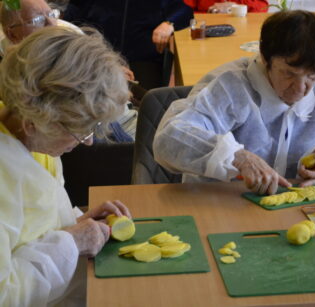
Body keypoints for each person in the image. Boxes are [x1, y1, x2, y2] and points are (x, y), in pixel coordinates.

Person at [153, 10, 315, 195]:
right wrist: (237, 157)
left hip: (294, 212)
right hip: (222, 206)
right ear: (265, 58)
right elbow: (169, 138)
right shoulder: (230, 85)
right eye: (289, 74)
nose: (300, 89)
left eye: (312, 76)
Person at [0, 26, 132, 305]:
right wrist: (70, 243)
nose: (87, 142)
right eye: (79, 131)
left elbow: (32, 226)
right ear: (32, 123)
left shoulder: (32, 138)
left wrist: (76, 223)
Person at [0, 0, 137, 141]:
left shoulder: (69, 35)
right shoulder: (10, 65)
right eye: (38, 20)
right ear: (12, 34)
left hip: (119, 120)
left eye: (52, 14)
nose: (52, 24)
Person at [64, 0, 194, 90]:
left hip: (143, 61)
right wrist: (103, 61)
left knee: (145, 106)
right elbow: (70, 24)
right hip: (97, 59)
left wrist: (169, 24)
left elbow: (184, 11)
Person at [184, 0, 268, 13]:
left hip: (241, 29)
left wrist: (235, 6)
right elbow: (183, 9)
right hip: (206, 29)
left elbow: (263, 7)